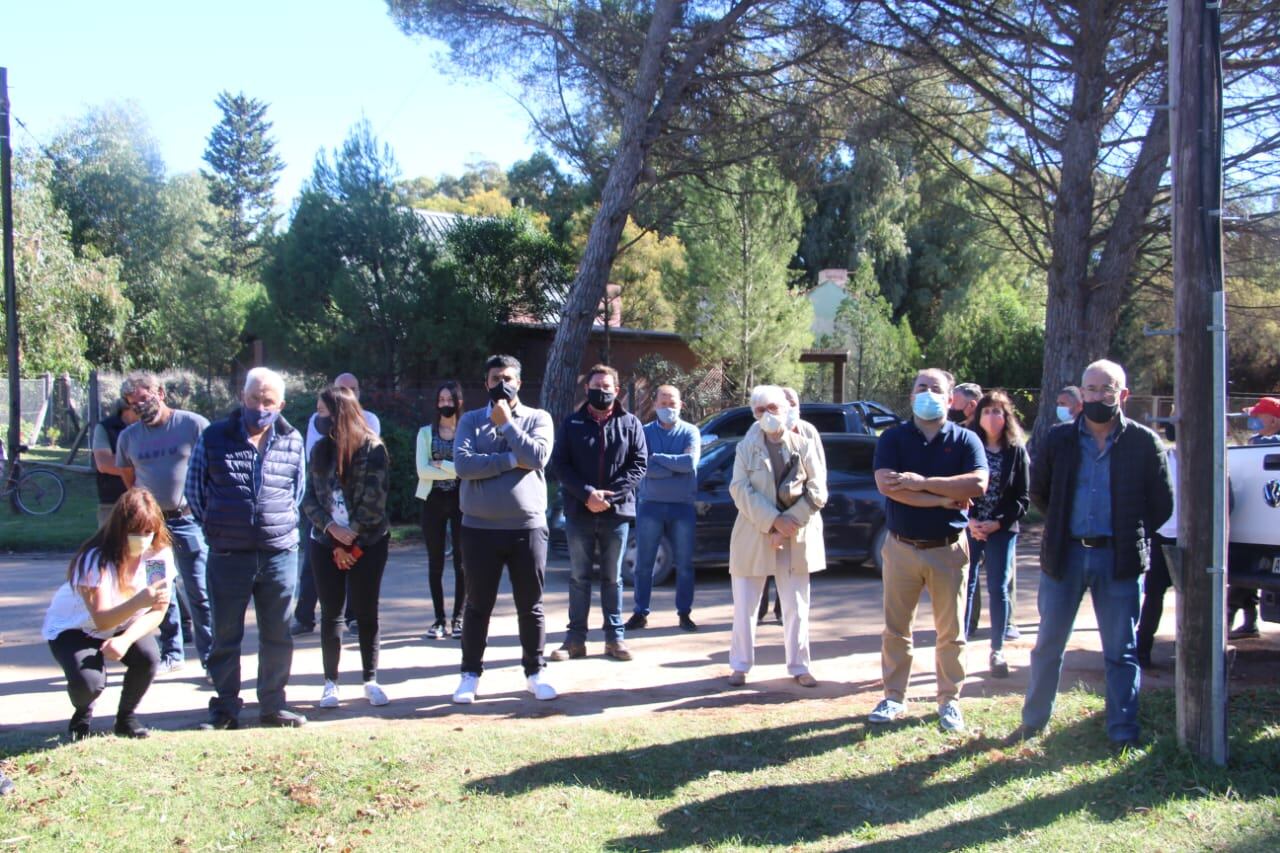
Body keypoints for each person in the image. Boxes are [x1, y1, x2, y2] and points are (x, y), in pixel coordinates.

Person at [1016, 359, 1173, 751]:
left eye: (1107, 389)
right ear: (1080, 395)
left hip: (1117, 560)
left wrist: (1126, 530)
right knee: (1048, 646)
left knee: (1121, 651)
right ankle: (1033, 724)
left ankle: (1123, 730)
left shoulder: (1144, 442)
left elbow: (1162, 505)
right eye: (1091, 388)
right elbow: (1041, 493)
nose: (1099, 395)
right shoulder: (1058, 440)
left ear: (1123, 394)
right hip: (1065, 557)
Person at [185, 367, 309, 730]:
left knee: (278, 635)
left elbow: (296, 492)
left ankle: (273, 706)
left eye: (268, 401)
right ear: (243, 396)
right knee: (225, 634)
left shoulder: (292, 438)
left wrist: (275, 525)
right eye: (254, 398)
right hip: (228, 554)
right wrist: (218, 527)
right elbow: (195, 490)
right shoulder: (214, 437)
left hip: (278, 553)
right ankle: (224, 708)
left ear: (280, 404)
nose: (260, 406)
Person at [869, 368, 988, 732]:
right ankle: (893, 697)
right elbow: (888, 487)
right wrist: (943, 499)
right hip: (901, 547)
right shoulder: (892, 439)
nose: (928, 393)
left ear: (951, 399)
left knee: (951, 632)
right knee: (896, 630)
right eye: (921, 387)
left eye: (936, 389)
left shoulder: (967, 440)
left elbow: (977, 484)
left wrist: (922, 484)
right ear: (911, 396)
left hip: (948, 550)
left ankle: (949, 701)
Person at [452, 355, 558, 703]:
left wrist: (509, 425)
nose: (502, 383)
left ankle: (534, 671)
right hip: (478, 528)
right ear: (486, 383)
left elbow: (539, 457)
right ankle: (470, 674)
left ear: (519, 382)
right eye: (496, 377)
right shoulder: (469, 420)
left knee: (531, 605)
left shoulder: (538, 418)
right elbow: (464, 465)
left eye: (508, 377)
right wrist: (512, 460)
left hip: (526, 527)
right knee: (477, 604)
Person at [41, 488, 175, 740]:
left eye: (149, 532)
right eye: (135, 532)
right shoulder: (95, 558)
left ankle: (126, 718)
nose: (143, 539)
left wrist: (125, 639)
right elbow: (101, 618)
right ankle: (83, 712)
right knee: (89, 683)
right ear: (119, 529)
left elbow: (158, 610)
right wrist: (139, 601)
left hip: (123, 624)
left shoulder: (156, 558)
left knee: (148, 657)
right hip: (77, 627)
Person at [726, 385, 827, 688]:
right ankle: (740, 666)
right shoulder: (745, 447)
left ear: (785, 409)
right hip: (754, 534)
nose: (767, 415)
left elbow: (818, 490)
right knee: (745, 604)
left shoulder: (804, 443)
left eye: (773, 408)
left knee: (796, 604)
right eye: (760, 410)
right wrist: (772, 522)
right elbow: (738, 489)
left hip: (795, 534)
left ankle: (800, 666)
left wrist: (789, 522)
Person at [549, 364, 647, 662]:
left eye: (607, 387)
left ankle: (614, 639)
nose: (601, 392)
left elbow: (639, 465)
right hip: (579, 512)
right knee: (579, 577)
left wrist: (610, 495)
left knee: (612, 578)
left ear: (616, 390)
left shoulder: (631, 424)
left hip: (616, 513)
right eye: (596, 386)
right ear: (586, 389)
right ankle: (575, 640)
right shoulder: (572, 423)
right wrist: (587, 493)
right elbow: (561, 466)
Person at [115, 371, 212, 674]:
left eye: (144, 399)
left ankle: (211, 656)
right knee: (159, 588)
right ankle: (172, 652)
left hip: (189, 522)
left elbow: (214, 469)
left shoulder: (192, 425)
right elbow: (129, 480)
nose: (139, 406)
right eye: (132, 403)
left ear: (160, 394)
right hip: (152, 530)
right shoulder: (128, 437)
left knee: (199, 588)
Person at [303, 385, 392, 708]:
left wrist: (349, 537)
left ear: (340, 413)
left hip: (367, 542)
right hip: (325, 541)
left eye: (323, 412)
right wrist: (331, 531)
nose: (318, 418)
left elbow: (374, 503)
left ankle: (370, 679)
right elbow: (309, 498)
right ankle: (331, 682)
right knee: (331, 614)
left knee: (367, 611)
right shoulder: (319, 451)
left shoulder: (373, 449)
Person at [294, 373, 382, 635]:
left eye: (353, 388)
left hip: (355, 511)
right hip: (324, 510)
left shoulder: (372, 422)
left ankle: (354, 617)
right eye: (343, 389)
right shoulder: (317, 426)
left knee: (356, 562)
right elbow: (317, 463)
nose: (349, 393)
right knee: (312, 563)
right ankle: (304, 616)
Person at [961, 390, 1030, 678]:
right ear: (978, 416)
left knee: (999, 588)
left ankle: (997, 650)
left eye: (998, 412)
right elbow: (957, 487)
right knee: (967, 585)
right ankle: (959, 647)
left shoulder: (1016, 450)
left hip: (1002, 529)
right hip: (970, 526)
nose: (992, 417)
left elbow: (1023, 497)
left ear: (1007, 417)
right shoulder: (967, 446)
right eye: (987, 411)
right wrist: (971, 521)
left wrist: (998, 523)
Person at [626, 384, 700, 632]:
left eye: (673, 403)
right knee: (644, 564)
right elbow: (642, 466)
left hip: (682, 507)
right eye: (664, 403)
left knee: (685, 564)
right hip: (650, 506)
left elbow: (689, 463)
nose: (668, 408)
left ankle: (684, 613)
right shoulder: (643, 432)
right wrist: (669, 465)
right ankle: (640, 612)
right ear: (655, 405)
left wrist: (656, 458)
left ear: (681, 405)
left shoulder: (691, 432)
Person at [757, 387, 826, 626]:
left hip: (799, 517)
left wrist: (794, 516)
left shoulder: (808, 433)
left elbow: (818, 481)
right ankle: (761, 608)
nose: (789, 406)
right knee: (765, 565)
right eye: (784, 402)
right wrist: (772, 518)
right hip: (769, 516)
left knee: (794, 577)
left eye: (793, 402)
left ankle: (781, 612)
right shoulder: (757, 434)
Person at [416, 381, 465, 640]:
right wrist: (452, 466)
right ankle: (438, 620)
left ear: (459, 402)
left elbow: (467, 468)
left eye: (450, 399)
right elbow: (422, 470)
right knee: (436, 562)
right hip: (432, 500)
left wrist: (440, 463)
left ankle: (459, 619)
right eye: (442, 399)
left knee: (462, 562)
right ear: (437, 403)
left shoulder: (466, 431)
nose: (446, 404)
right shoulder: (426, 433)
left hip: (461, 500)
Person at [1137, 440, 1177, 669]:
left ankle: (1189, 651)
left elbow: (1226, 501)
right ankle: (1142, 651)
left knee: (1194, 598)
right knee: (1153, 596)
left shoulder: (1211, 460)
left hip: (1196, 541)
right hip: (1161, 537)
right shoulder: (1162, 458)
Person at [90, 398, 138, 527]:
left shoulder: (153, 427)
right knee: (111, 546)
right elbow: (105, 464)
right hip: (113, 503)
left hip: (151, 502)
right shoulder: (106, 428)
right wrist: (146, 466)